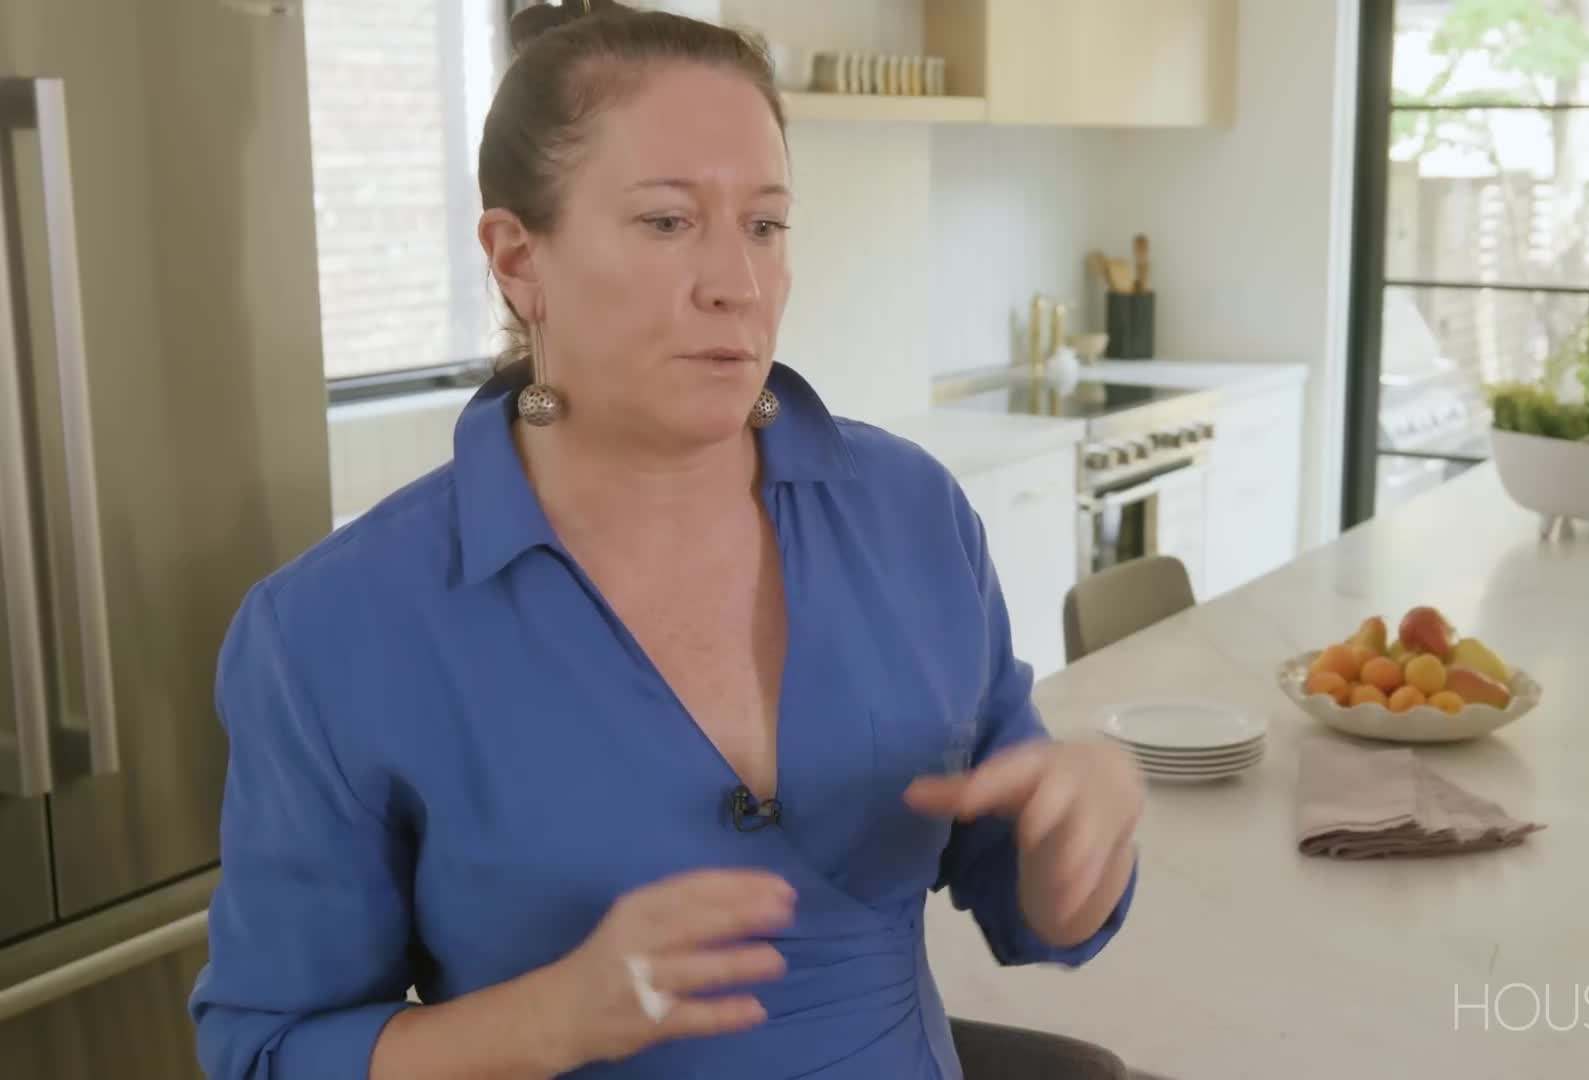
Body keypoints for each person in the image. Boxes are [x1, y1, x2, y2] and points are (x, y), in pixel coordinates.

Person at [187, 4, 1142, 1078]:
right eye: (667, 223)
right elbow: (265, 1052)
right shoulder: (333, 630)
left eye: (766, 225)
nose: (735, 281)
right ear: (517, 259)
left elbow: (1033, 897)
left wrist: (1079, 850)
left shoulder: (911, 514)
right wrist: (552, 1017)